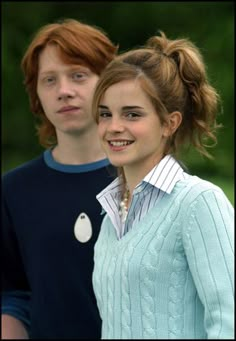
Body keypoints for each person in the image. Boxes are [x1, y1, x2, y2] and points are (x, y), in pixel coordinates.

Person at [91, 31, 234, 339]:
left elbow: (229, 321)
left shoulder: (199, 203)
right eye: (105, 114)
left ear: (170, 123)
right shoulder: (110, 216)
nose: (114, 127)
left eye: (132, 114)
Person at [2, 18, 118, 339]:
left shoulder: (149, 181)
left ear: (108, 83)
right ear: (36, 95)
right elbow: (12, 294)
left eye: (78, 75)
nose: (64, 91)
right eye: (49, 80)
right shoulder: (13, 191)